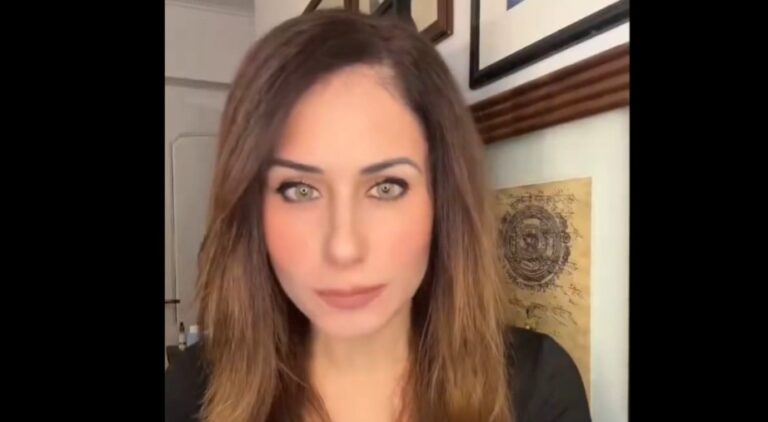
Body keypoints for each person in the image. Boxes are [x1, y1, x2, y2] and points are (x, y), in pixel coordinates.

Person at [165, 9, 590, 422]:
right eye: (300, 190)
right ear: (251, 211)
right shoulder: (189, 393)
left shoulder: (537, 387)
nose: (344, 247)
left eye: (387, 187)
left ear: (441, 198)